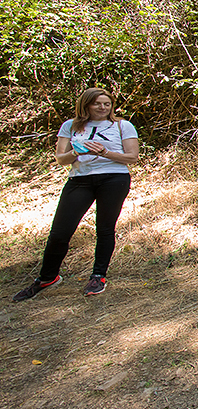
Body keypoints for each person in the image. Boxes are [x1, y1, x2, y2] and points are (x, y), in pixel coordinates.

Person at [12, 88, 139, 301]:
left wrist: (104, 153)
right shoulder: (70, 126)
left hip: (114, 178)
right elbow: (61, 159)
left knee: (105, 228)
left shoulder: (122, 125)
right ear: (86, 105)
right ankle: (47, 277)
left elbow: (132, 157)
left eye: (107, 104)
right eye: (97, 103)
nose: (103, 107)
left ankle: (98, 276)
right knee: (60, 231)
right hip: (80, 179)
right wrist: (77, 152)